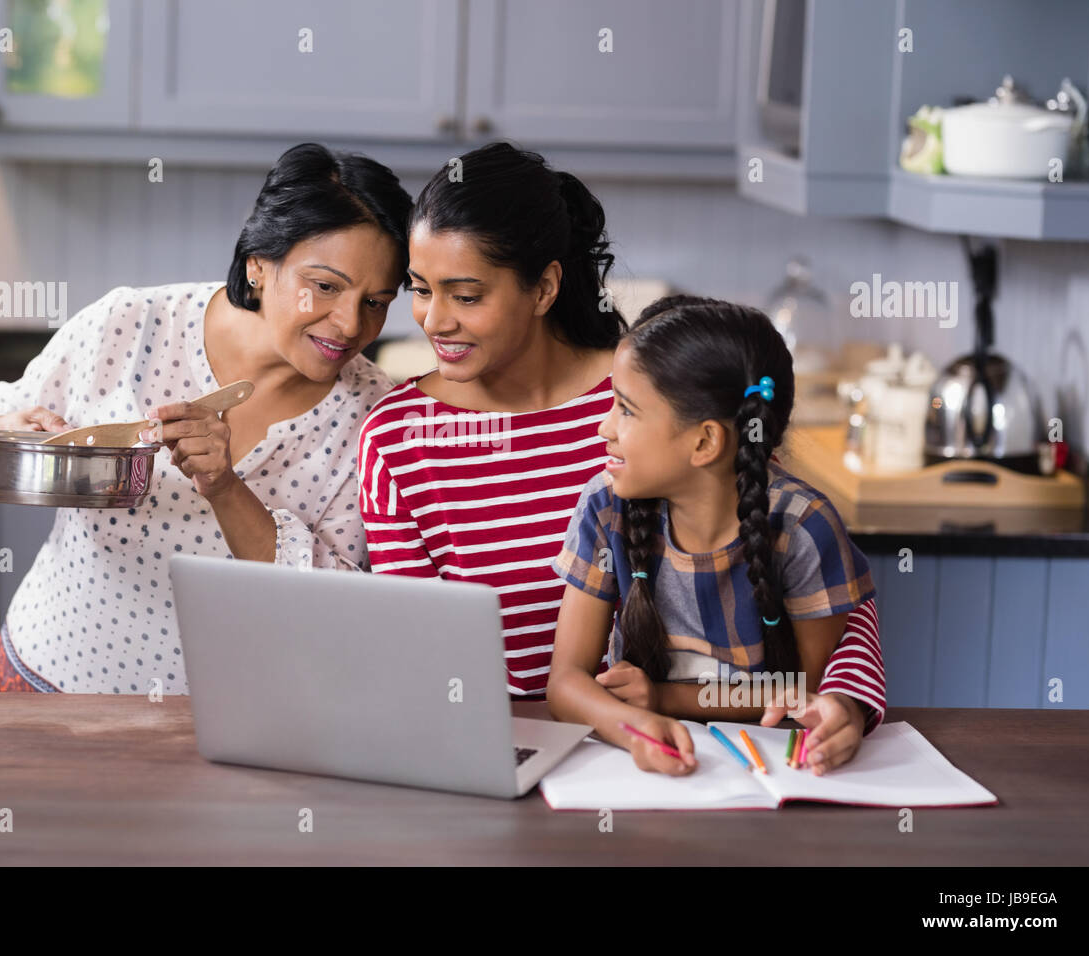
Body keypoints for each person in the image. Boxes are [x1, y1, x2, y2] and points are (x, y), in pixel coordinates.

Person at [359, 143, 886, 762]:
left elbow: (791, 566)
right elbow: (416, 651)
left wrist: (843, 701)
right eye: (420, 290)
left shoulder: (653, 394)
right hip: (497, 746)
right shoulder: (397, 438)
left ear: (544, 287)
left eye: (466, 295)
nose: (433, 320)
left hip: (683, 745)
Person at [0, 143, 411, 693]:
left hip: (227, 720)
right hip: (49, 677)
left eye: (377, 301)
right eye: (326, 286)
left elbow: (332, 607)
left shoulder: (374, 417)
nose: (349, 324)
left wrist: (225, 487)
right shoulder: (131, 324)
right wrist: (20, 438)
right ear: (258, 265)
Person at [547, 296, 877, 775]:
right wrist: (631, 726)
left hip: (770, 767)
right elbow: (566, 683)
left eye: (627, 410)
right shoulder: (606, 507)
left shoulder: (804, 526)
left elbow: (800, 689)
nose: (604, 427)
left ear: (704, 442)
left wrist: (662, 698)